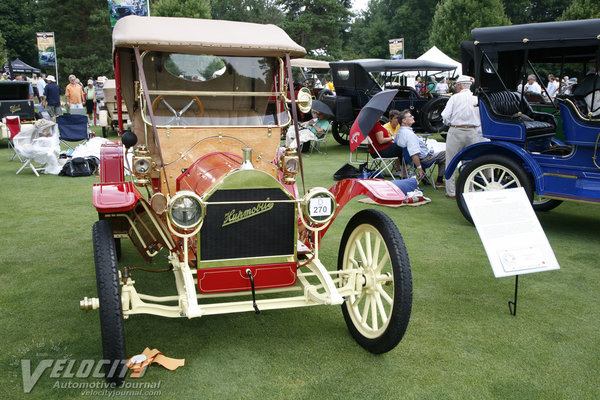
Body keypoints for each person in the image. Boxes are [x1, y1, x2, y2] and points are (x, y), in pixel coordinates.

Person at [441, 75, 485, 198]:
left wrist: (450, 124)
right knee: (470, 163)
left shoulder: (455, 98)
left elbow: (445, 116)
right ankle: (469, 189)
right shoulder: (476, 98)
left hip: (456, 130)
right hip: (473, 132)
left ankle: (451, 191)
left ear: (459, 86)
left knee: (451, 161)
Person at [395, 109, 446, 186]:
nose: (413, 116)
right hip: (424, 160)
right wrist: (420, 169)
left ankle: (428, 178)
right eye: (410, 116)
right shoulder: (409, 135)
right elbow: (414, 153)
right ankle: (440, 181)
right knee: (445, 154)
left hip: (412, 159)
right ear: (404, 121)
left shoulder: (400, 132)